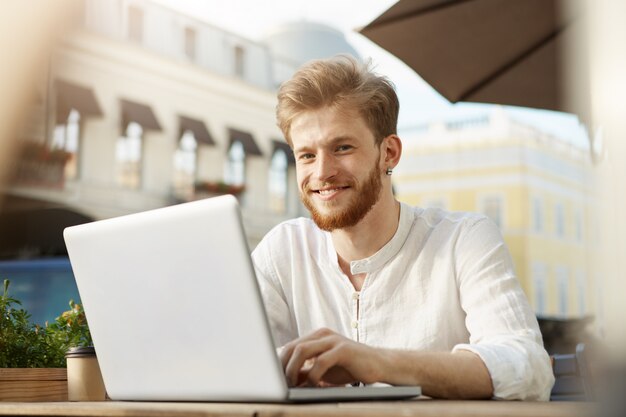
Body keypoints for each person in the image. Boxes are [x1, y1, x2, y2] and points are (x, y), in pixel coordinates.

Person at [251, 55, 554, 400]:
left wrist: (377, 363)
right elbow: (237, 363)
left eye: (342, 147)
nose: (322, 172)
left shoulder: (463, 240)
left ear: (389, 153)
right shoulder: (281, 251)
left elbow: (528, 369)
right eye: (306, 155)